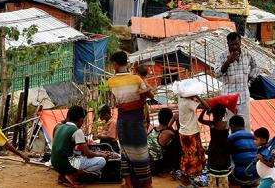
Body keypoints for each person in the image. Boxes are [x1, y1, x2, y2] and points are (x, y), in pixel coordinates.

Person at [107, 51, 152, 188]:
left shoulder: (111, 82)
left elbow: (115, 103)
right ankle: (147, 183)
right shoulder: (137, 79)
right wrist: (137, 100)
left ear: (115, 64)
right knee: (141, 151)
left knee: (125, 152)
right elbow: (149, 94)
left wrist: (126, 105)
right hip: (137, 119)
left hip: (123, 120)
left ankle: (129, 183)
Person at [51, 105, 108, 188]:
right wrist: (101, 154)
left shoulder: (59, 127)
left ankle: (63, 175)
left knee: (75, 155)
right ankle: (72, 175)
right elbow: (88, 154)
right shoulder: (77, 131)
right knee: (101, 161)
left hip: (55, 163)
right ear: (81, 120)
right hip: (66, 164)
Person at [214, 32, 259, 129]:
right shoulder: (222, 56)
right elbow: (217, 74)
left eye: (237, 44)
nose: (235, 47)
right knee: (230, 127)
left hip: (244, 97)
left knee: (246, 125)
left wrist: (249, 82)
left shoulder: (247, 54)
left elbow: (255, 67)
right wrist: (228, 61)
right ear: (227, 44)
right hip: (228, 99)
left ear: (240, 42)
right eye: (232, 45)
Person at [177, 94, 208, 188]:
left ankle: (186, 181)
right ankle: (185, 182)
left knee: (188, 157)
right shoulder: (188, 102)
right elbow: (206, 106)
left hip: (186, 132)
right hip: (190, 133)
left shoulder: (181, 98)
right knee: (191, 159)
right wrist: (197, 96)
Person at [198, 105, 231, 187]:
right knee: (223, 173)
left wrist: (204, 110)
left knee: (213, 171)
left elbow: (200, 119)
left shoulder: (211, 124)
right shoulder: (226, 124)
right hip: (224, 150)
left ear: (213, 114)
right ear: (223, 114)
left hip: (214, 149)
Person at [227, 115, 259, 186]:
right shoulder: (253, 136)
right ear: (244, 126)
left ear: (232, 126)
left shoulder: (231, 138)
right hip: (257, 173)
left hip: (242, 175)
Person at [147, 107, 180, 176]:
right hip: (156, 167)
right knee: (177, 141)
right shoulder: (168, 133)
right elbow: (181, 135)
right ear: (170, 119)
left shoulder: (153, 129)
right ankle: (175, 168)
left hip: (148, 164)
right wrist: (176, 120)